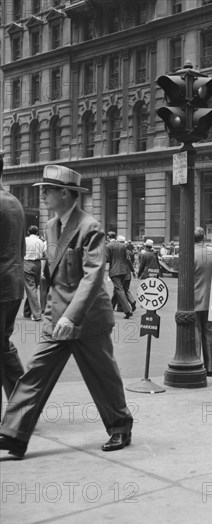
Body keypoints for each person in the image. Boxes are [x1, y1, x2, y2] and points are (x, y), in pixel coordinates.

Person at [0, 165, 134, 459]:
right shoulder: (50, 227)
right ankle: (13, 435)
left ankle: (120, 426)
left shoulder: (91, 227)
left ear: (64, 193)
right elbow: (51, 277)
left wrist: (70, 316)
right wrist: (50, 315)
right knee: (34, 374)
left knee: (102, 375)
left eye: (47, 190)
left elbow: (93, 275)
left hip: (88, 320)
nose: (43, 194)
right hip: (57, 317)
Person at [0, 154, 26, 417]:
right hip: (13, 285)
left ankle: (23, 408)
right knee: (3, 347)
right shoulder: (14, 201)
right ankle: (24, 408)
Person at [194, 227, 212, 377]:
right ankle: (210, 368)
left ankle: (196, 363)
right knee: (210, 334)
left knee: (195, 333)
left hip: (194, 299)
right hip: (211, 299)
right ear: (205, 237)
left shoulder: (189, 254)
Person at [106, 232, 134, 318]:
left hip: (115, 271)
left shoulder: (108, 246)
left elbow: (107, 259)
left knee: (119, 290)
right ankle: (110, 308)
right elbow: (128, 259)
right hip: (124, 271)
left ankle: (127, 310)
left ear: (108, 237)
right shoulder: (123, 246)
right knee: (118, 289)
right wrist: (132, 270)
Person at [23, 225, 46, 321]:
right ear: (37, 233)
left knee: (30, 288)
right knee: (33, 288)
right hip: (37, 264)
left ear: (28, 232)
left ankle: (37, 314)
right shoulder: (41, 241)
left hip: (27, 263)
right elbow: (45, 255)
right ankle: (27, 311)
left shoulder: (25, 240)